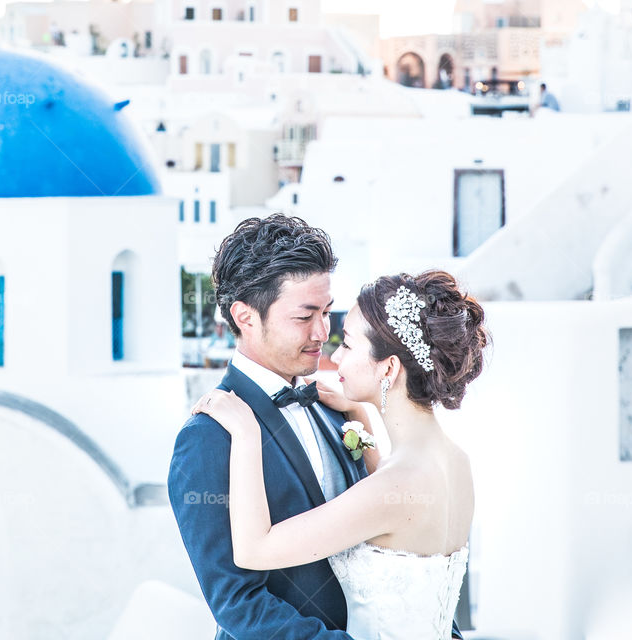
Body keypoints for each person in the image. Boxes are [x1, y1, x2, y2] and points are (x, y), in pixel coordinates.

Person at [167, 214, 465, 639]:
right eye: (304, 316)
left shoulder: (336, 408)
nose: (322, 332)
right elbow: (237, 603)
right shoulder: (208, 439)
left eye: (326, 312)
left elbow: (401, 552)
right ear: (245, 317)